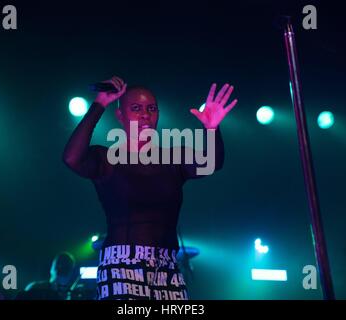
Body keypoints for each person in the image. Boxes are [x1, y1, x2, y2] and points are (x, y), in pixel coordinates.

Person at [63, 76, 237, 300]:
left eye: (151, 108)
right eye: (136, 108)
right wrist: (100, 104)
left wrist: (212, 128)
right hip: (121, 263)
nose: (145, 114)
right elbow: (71, 158)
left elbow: (212, 163)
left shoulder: (173, 157)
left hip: (167, 266)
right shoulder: (106, 159)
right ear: (120, 116)